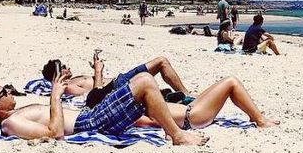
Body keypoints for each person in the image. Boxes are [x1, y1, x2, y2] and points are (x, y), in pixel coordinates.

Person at [0, 69, 278, 146]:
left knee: (144, 83)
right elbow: (53, 134)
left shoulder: (17, 112)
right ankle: (178, 136)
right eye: (6, 92)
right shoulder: (9, 124)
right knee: (144, 80)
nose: (12, 91)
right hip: (90, 124)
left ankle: (177, 132)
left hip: (93, 117)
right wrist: (55, 94)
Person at [41, 54, 192, 98]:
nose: (68, 67)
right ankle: (186, 94)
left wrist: (96, 69)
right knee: (161, 62)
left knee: (162, 62)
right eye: (64, 67)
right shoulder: (68, 87)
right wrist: (98, 71)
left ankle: (182, 94)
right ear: (59, 73)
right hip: (118, 86)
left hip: (119, 81)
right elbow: (94, 95)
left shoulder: (75, 79)